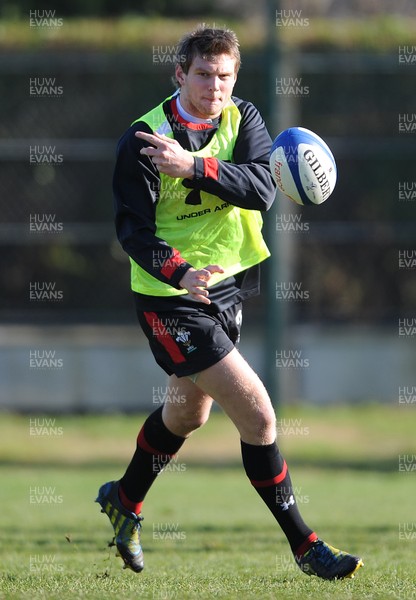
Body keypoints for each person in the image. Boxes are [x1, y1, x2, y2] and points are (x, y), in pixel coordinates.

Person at [96, 25, 363, 581]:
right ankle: (307, 546)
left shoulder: (244, 120)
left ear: (234, 77)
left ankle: (124, 498)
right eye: (201, 74)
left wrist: (194, 167)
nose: (213, 87)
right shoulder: (142, 141)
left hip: (229, 286)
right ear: (179, 74)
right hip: (169, 297)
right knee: (259, 414)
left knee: (186, 414)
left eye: (223, 76)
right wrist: (182, 272)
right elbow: (134, 234)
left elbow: (263, 189)